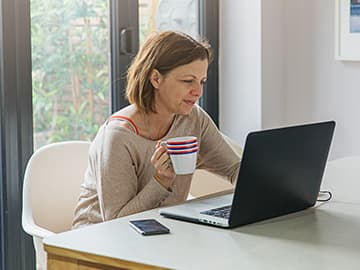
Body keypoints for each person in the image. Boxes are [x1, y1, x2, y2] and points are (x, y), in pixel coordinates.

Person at [72, 31, 241, 229]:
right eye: (188, 81)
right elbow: (116, 222)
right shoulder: (118, 136)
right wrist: (161, 181)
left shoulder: (193, 118)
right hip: (95, 242)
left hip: (161, 232)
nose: (198, 91)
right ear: (156, 79)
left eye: (201, 81)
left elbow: (234, 169)